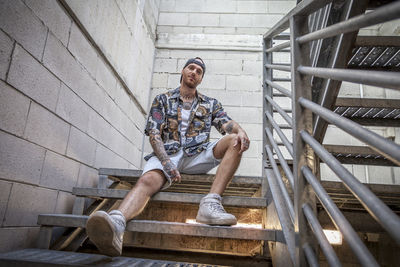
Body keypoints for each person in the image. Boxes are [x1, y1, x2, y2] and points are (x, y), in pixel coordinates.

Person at [86, 57, 250, 256]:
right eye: (191, 68)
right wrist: (165, 162)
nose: (194, 72)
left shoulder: (210, 103)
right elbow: (154, 133)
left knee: (235, 139)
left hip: (197, 154)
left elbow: (226, 122)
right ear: (182, 71)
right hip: (168, 154)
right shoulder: (162, 99)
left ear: (200, 79)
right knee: (147, 179)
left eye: (199, 71)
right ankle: (116, 223)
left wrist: (240, 130)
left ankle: (210, 203)